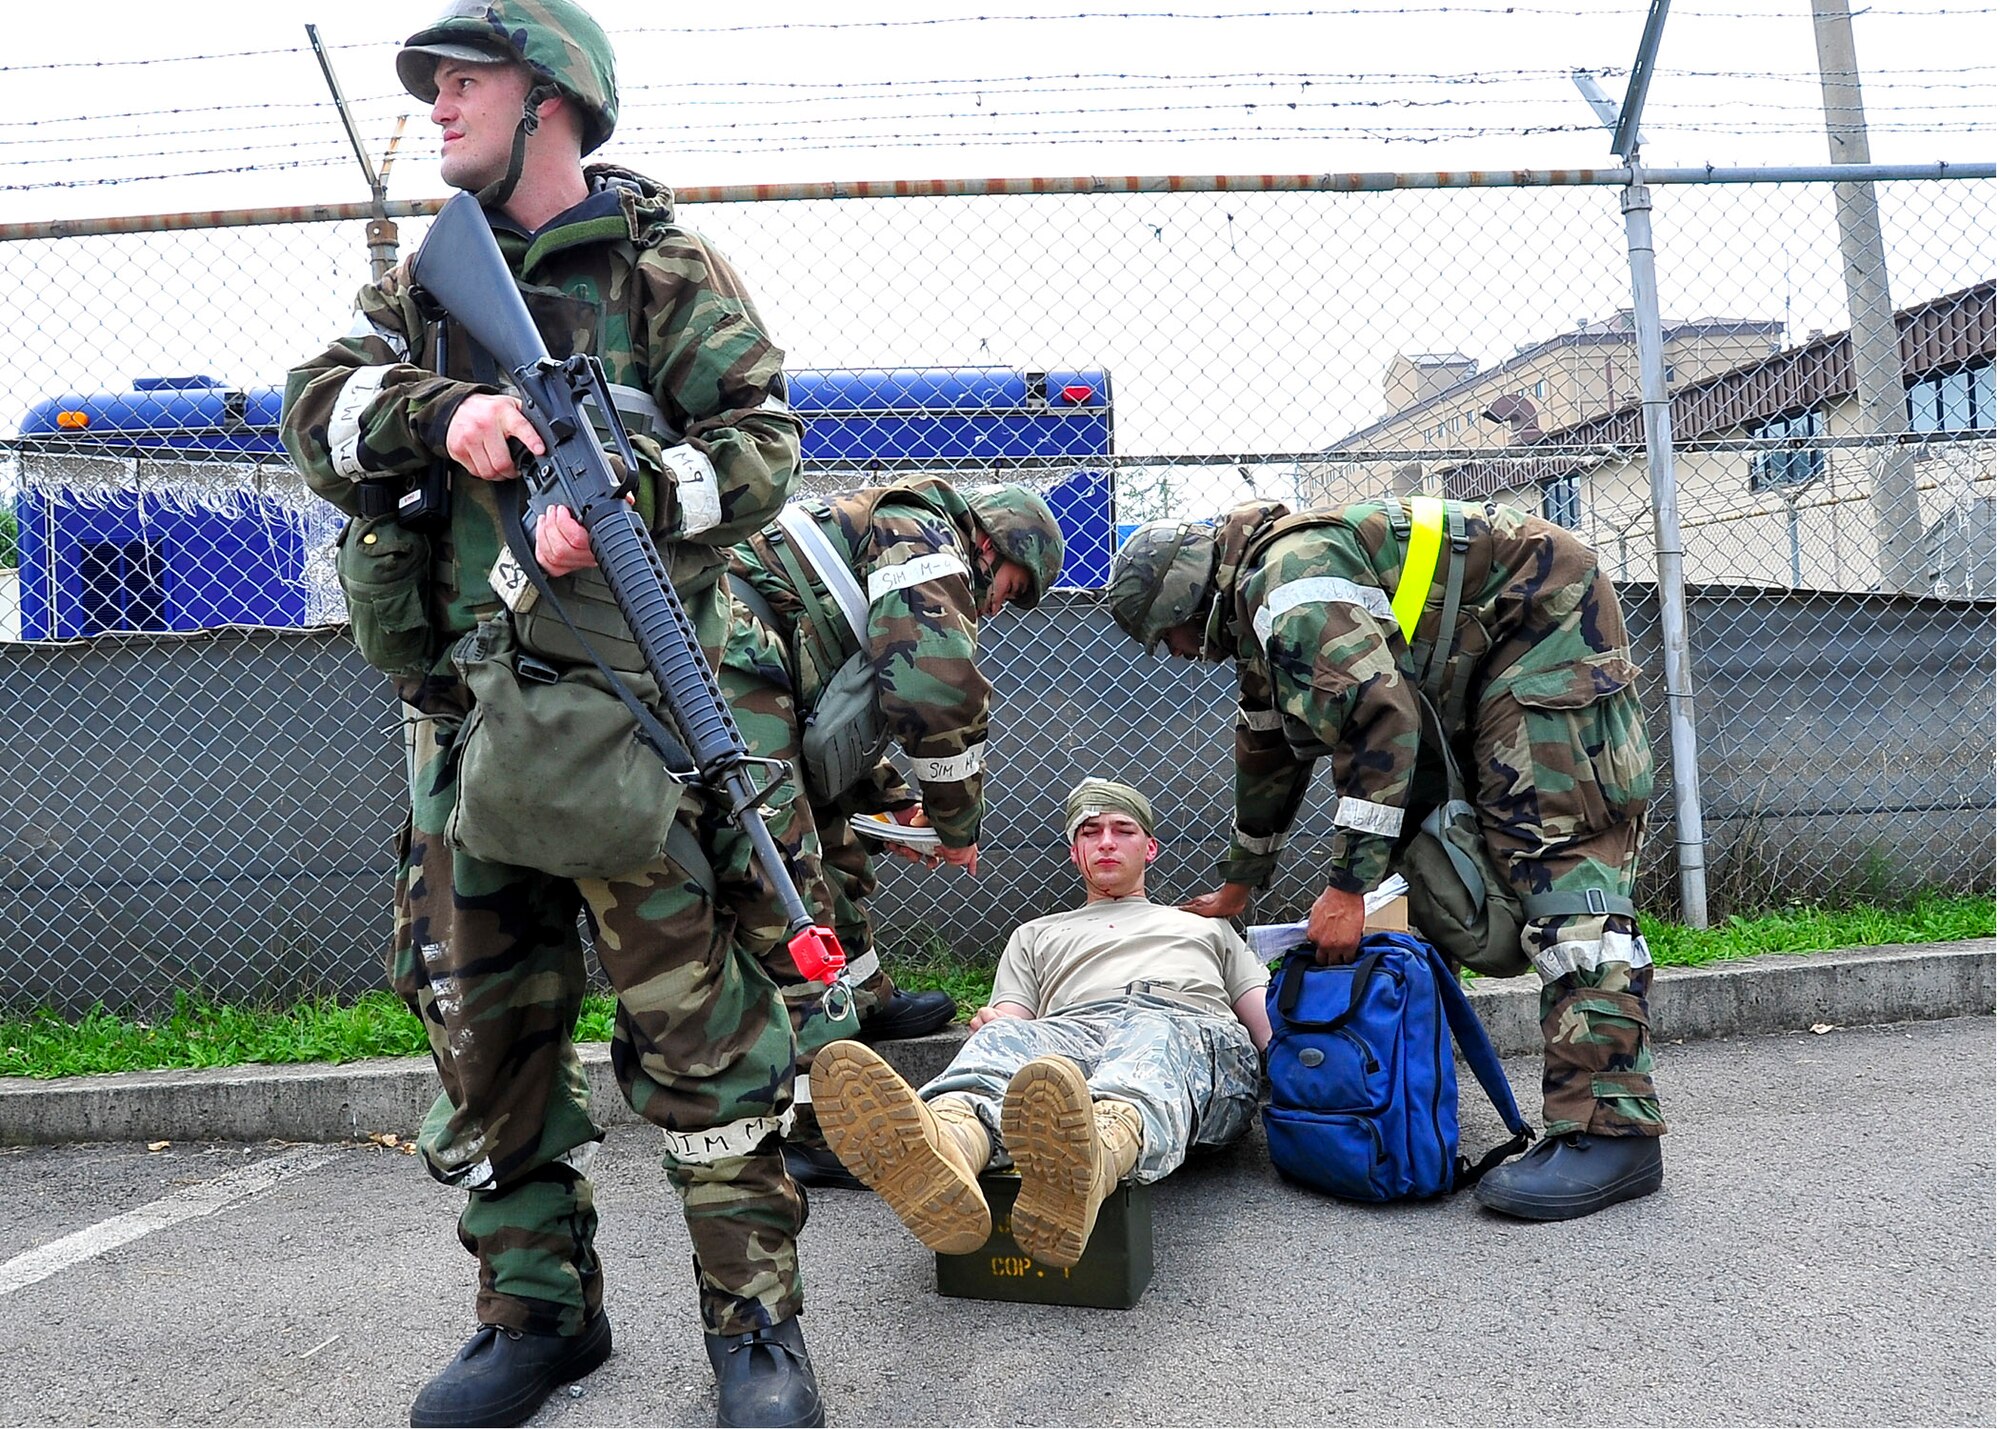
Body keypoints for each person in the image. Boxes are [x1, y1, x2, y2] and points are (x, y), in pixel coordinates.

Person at [279, 4, 824, 1425]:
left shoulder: (665, 269)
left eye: (465, 81)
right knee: (485, 1033)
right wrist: (438, 413)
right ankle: (537, 1315)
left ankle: (755, 1332)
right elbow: (314, 410)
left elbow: (762, 449)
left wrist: (631, 496)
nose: (439, 104)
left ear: (555, 98)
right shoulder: (419, 289)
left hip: (630, 723)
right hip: (460, 731)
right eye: (435, 85)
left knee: (703, 1045)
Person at [1107, 496, 1666, 1221]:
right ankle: (1423, 1102)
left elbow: (1382, 719)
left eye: (1171, 636)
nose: (1181, 652)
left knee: (1556, 860)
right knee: (1449, 853)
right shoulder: (1261, 607)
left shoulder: (1289, 585)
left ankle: (1612, 1130)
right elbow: (1268, 744)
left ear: (1187, 599)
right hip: (1487, 646)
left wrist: (1348, 888)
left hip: (1545, 624)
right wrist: (1241, 881)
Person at [725, 480, 1064, 1187]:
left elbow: (867, 698)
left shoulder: (911, 534)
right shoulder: (928, 539)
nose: (999, 603)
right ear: (992, 543)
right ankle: (819, 1123)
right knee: (791, 880)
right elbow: (934, 690)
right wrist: (953, 824)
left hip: (765, 656)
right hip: (731, 652)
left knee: (838, 836)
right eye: (1012, 584)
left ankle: (864, 1000)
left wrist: (900, 801)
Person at [810, 778, 1270, 1269]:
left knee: (1151, 1034)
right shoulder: (1035, 934)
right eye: (1091, 833)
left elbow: (1267, 1029)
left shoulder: (1207, 926)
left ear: (1150, 848)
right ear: (1076, 854)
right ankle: (951, 1148)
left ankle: (1099, 1153)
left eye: (1123, 830)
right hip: (1073, 1035)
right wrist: (993, 1026)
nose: (1107, 842)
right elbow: (1012, 1020)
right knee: (1005, 1038)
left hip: (1184, 1030)